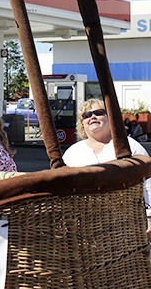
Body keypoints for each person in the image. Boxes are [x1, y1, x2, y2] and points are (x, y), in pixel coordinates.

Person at [63, 98, 151, 239]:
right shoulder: (72, 153)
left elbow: (149, 183)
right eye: (87, 115)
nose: (92, 117)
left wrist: (150, 218)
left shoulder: (129, 146)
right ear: (82, 123)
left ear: (110, 117)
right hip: (84, 230)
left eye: (99, 112)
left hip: (126, 227)